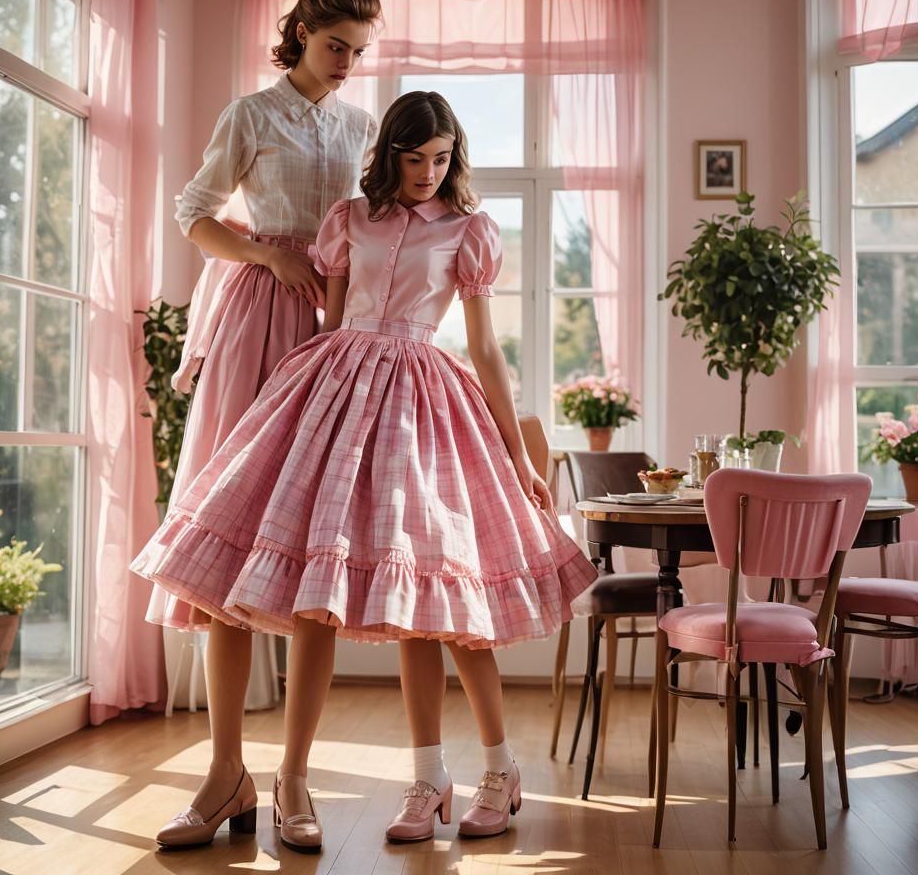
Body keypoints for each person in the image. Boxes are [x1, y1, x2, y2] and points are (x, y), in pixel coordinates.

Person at [133, 91, 596, 852]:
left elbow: (484, 348)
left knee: (442, 596)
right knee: (343, 586)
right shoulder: (349, 219)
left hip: (422, 403)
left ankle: (492, 769)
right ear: (389, 156)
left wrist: (517, 455)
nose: (427, 172)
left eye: (440, 159)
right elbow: (329, 322)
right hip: (334, 393)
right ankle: (402, 778)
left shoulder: (468, 230)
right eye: (413, 158)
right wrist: (291, 409)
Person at [133, 0, 381, 850]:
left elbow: (375, 228)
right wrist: (266, 254)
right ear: (301, 34)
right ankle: (225, 773)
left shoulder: (362, 126)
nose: (347, 62)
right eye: (335, 45)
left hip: (333, 331)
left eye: (359, 50)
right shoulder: (251, 114)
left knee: (316, 553)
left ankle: (294, 777)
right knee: (224, 552)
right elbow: (193, 212)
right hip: (255, 323)